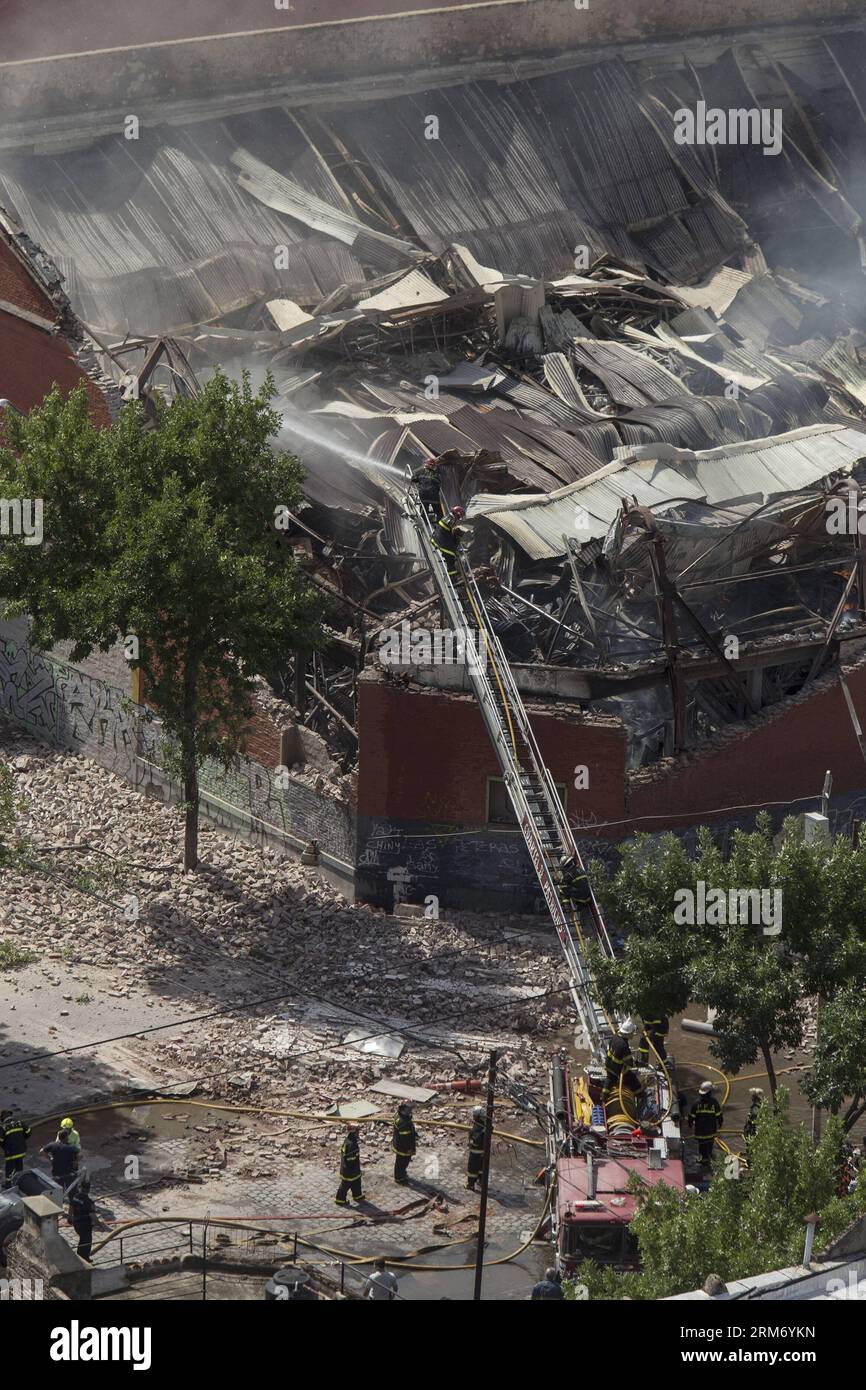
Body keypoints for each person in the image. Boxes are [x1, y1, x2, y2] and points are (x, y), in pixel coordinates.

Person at [689, 1081, 722, 1166]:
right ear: (709, 1092)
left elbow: (691, 1116)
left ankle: (704, 1159)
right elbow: (719, 1115)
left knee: (702, 1145)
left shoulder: (696, 1103)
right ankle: (709, 1157)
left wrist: (690, 1124)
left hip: (700, 1130)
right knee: (710, 1144)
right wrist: (720, 1123)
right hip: (711, 1130)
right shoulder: (714, 1102)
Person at [604, 1019, 640, 1097]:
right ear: (627, 1034)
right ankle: (639, 1095)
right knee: (633, 1079)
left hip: (608, 1064)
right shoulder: (624, 1045)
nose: (632, 1035)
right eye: (631, 1033)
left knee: (609, 1081)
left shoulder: (615, 1037)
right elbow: (629, 1061)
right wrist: (636, 1063)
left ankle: (603, 1096)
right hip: (617, 1068)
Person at [335, 1124, 365, 1207]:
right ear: (354, 1132)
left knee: (357, 1182)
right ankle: (340, 1199)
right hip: (350, 1170)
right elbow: (351, 1159)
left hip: (351, 1169)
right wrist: (354, 1169)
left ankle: (357, 1196)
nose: (359, 1132)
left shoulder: (349, 1140)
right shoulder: (352, 1144)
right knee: (345, 1185)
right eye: (357, 1131)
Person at [431, 506, 465, 578]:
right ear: (457, 514)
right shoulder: (450, 519)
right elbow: (450, 530)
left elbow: (449, 530)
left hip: (438, 539)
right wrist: (458, 533)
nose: (458, 518)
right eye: (459, 516)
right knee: (450, 557)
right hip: (442, 541)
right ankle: (453, 578)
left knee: (451, 555)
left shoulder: (448, 517)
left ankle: (453, 575)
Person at [68, 1179, 96, 1262]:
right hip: (85, 1225)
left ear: (81, 1188)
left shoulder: (75, 1196)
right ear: (88, 1189)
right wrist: (99, 1224)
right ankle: (85, 1259)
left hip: (76, 1223)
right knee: (86, 1242)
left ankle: (79, 1257)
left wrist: (70, 1218)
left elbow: (71, 1207)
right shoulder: (89, 1202)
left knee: (82, 1240)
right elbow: (92, 1215)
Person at [1, 1109, 31, 1187]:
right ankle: (19, 1183)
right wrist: (21, 1139)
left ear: (3, 1117)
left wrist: (4, 1146)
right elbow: (28, 1132)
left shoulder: (3, 1126)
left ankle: (8, 1184)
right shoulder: (19, 1122)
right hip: (21, 1150)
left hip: (10, 1152)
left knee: (9, 1169)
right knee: (19, 1166)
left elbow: (0, 1140)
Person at [392, 1102, 417, 1185]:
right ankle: (399, 1178)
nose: (411, 1110)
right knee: (402, 1163)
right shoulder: (404, 1123)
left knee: (400, 1162)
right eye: (409, 1108)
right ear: (404, 1109)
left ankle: (401, 1174)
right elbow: (406, 1139)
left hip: (398, 1144)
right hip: (403, 1148)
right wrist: (409, 1149)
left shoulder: (399, 1116)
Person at [415, 457, 442, 522]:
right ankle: (439, 522)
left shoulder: (420, 472)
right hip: (433, 496)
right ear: (433, 466)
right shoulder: (436, 474)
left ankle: (424, 522)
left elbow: (413, 479)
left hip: (423, 495)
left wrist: (420, 483)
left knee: (424, 509)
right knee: (439, 511)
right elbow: (439, 484)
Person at [466, 1105, 486, 1192]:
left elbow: (476, 1141)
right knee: (482, 1168)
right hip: (484, 1151)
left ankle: (470, 1185)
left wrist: (471, 1143)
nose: (473, 1117)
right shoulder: (484, 1125)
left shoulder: (477, 1127)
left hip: (475, 1153)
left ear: (477, 1116)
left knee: (472, 1169)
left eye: (474, 1115)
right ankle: (481, 1181)